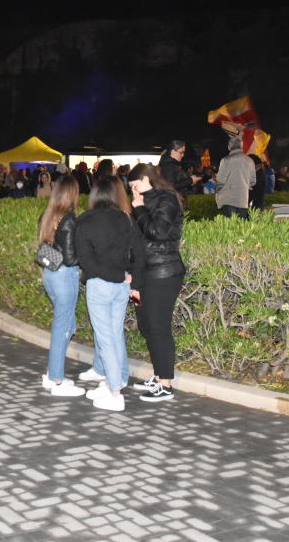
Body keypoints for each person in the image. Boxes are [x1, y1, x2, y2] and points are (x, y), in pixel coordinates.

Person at [75, 176, 144, 412]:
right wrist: (129, 277)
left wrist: (119, 277)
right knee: (114, 335)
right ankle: (116, 380)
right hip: (120, 286)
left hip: (101, 285)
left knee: (105, 338)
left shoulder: (85, 221)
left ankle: (116, 393)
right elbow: (138, 252)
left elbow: (86, 261)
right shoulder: (126, 219)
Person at [128, 163, 186, 402]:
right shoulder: (145, 202)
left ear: (146, 178)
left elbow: (157, 232)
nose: (133, 191)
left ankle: (166, 384)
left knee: (159, 327)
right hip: (147, 273)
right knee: (146, 325)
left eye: (135, 185)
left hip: (165, 272)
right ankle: (158, 373)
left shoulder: (167, 199)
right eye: (130, 188)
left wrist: (139, 209)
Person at [37, 175, 86, 397]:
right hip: (65, 276)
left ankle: (51, 374)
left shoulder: (49, 216)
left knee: (68, 324)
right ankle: (56, 379)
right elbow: (69, 258)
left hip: (50, 274)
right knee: (62, 327)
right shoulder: (69, 220)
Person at [215, 137, 256, 219]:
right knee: (241, 228)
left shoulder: (226, 160)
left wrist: (217, 193)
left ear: (229, 147)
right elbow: (253, 182)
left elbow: (220, 181)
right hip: (243, 200)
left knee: (229, 228)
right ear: (241, 146)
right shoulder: (250, 161)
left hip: (228, 200)